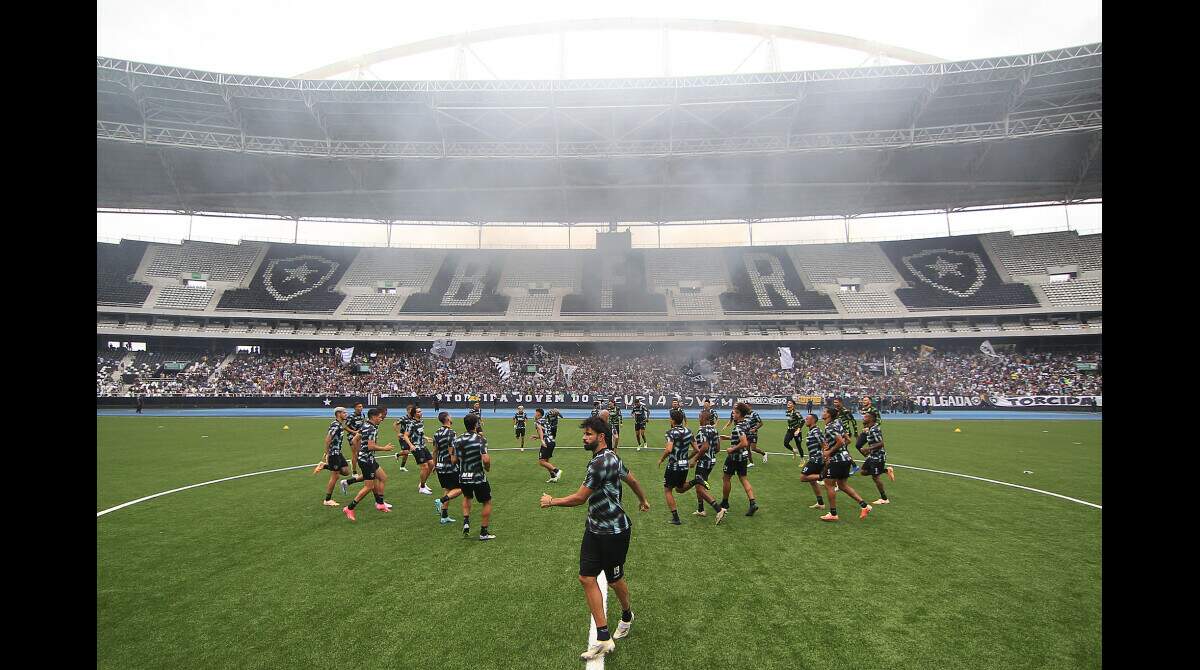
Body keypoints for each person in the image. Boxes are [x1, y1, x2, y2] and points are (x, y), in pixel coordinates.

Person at [539, 416, 651, 662]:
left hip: (615, 532)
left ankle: (627, 614)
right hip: (594, 529)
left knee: (615, 579)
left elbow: (580, 498)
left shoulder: (600, 463)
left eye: (588, 434)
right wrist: (642, 499)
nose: (584, 437)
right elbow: (631, 480)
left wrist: (552, 501)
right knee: (586, 577)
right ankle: (603, 637)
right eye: (584, 433)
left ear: (601, 437)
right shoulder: (612, 457)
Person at [818, 407, 872, 522]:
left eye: (824, 412)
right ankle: (864, 506)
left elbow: (841, 441)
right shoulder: (837, 424)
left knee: (829, 484)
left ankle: (833, 514)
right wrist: (837, 448)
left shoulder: (830, 427)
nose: (822, 413)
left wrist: (830, 451)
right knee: (842, 485)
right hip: (845, 458)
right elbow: (847, 439)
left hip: (838, 460)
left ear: (828, 415)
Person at [342, 408, 394, 522]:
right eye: (380, 417)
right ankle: (349, 508)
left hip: (368, 459)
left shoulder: (365, 425)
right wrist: (384, 449)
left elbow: (355, 440)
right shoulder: (371, 429)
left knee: (382, 477)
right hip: (367, 461)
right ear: (374, 417)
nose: (382, 419)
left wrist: (359, 452)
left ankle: (380, 503)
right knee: (369, 486)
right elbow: (371, 446)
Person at [716, 403, 759, 523]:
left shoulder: (739, 427)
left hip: (735, 457)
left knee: (726, 478)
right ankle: (752, 503)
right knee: (744, 479)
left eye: (734, 412)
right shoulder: (746, 423)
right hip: (744, 456)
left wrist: (732, 448)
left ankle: (725, 502)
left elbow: (744, 442)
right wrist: (729, 438)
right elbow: (743, 437)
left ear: (739, 414)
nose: (732, 414)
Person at [455, 412, 495, 541]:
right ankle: (483, 532)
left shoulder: (458, 440)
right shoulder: (480, 439)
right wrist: (487, 468)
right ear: (476, 424)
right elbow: (486, 459)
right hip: (478, 477)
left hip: (463, 476)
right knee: (487, 502)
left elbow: (454, 460)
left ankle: (466, 521)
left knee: (467, 497)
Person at [687, 409, 724, 517]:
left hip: (703, 462)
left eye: (700, 416)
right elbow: (717, 448)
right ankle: (700, 509)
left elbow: (704, 447)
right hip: (712, 461)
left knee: (699, 487)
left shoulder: (701, 431)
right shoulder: (714, 430)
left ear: (704, 418)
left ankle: (718, 509)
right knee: (701, 485)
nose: (698, 418)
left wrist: (694, 459)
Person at [316, 407, 352, 506]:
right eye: (344, 413)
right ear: (338, 413)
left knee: (345, 471)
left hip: (338, 453)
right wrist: (327, 453)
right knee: (335, 476)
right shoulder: (335, 425)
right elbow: (328, 439)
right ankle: (327, 500)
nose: (346, 414)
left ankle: (324, 466)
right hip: (333, 453)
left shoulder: (340, 424)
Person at [857, 412, 895, 505]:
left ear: (871, 419)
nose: (863, 418)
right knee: (863, 471)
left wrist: (868, 449)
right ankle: (885, 470)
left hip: (878, 456)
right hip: (873, 456)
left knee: (875, 477)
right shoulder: (870, 429)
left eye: (866, 417)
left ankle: (884, 498)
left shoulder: (874, 430)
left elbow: (881, 443)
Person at [432, 411, 462, 524]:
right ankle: (441, 501)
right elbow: (452, 453)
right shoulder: (451, 433)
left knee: (448, 489)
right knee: (461, 487)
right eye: (450, 416)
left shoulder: (437, 433)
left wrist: (434, 465)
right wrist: (458, 463)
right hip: (449, 466)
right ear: (447, 418)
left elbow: (434, 451)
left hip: (440, 465)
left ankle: (444, 516)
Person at [401, 406, 435, 495]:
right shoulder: (411, 423)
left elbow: (419, 433)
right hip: (416, 447)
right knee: (425, 466)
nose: (421, 413)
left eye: (421, 411)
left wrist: (425, 437)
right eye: (419, 412)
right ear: (414, 414)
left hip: (423, 445)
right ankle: (422, 488)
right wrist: (411, 445)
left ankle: (423, 483)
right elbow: (405, 435)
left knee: (431, 464)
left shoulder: (421, 421)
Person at [797, 414, 827, 510]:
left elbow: (824, 445)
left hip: (817, 459)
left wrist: (826, 458)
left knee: (803, 477)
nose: (805, 420)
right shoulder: (812, 431)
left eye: (807, 419)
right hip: (814, 458)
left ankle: (823, 476)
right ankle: (820, 503)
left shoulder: (816, 431)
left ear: (813, 420)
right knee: (812, 481)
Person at [534, 408, 563, 483]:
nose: (534, 414)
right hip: (552, 441)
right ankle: (553, 476)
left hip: (547, 442)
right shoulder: (546, 421)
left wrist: (542, 440)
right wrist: (537, 437)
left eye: (535, 413)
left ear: (538, 414)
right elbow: (547, 432)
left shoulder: (537, 421)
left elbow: (540, 429)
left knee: (541, 462)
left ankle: (557, 471)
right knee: (546, 461)